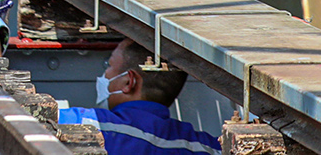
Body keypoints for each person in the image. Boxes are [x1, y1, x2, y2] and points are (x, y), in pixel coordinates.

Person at [56, 38, 220, 155]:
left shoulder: (97, 126)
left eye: (109, 65)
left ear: (129, 82)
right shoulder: (205, 147)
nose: (104, 75)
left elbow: (44, 119)